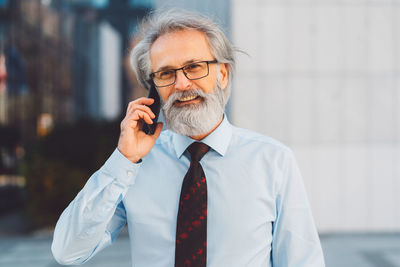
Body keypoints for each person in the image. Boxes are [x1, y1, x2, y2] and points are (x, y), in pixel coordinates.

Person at [51, 9, 325, 267]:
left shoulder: (273, 160)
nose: (182, 84)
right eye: (166, 73)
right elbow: (68, 251)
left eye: (194, 67)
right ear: (153, 89)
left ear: (223, 73)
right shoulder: (133, 165)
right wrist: (124, 160)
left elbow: (302, 260)